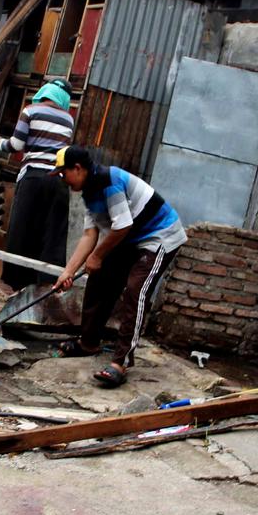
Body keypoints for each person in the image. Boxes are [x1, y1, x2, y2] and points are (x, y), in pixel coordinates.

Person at [51, 146, 187, 388]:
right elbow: (89, 236)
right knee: (99, 279)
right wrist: (68, 271)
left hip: (159, 237)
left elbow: (122, 226)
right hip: (132, 237)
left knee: (136, 290)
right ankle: (88, 343)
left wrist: (97, 256)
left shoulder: (108, 182)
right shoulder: (88, 193)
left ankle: (120, 362)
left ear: (78, 169)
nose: (63, 179)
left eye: (64, 173)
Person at [0, 79, 74, 289]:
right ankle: (46, 286)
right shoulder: (68, 119)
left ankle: (13, 284)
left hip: (33, 179)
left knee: (22, 232)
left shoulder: (30, 111)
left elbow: (16, 145)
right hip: (58, 181)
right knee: (52, 235)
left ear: (45, 92)